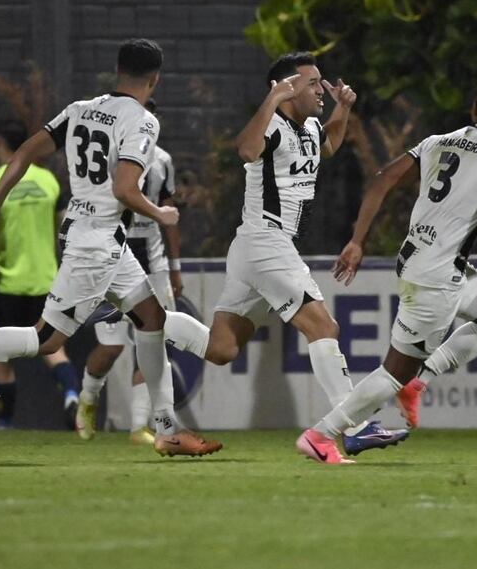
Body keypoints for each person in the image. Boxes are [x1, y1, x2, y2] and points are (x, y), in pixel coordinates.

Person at [0, 38, 221, 457]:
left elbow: (28, 151)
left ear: (118, 71)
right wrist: (161, 214)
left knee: (152, 318)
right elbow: (125, 188)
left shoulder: (81, 109)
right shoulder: (141, 120)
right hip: (97, 243)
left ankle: (165, 428)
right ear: (155, 79)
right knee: (45, 339)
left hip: (92, 234)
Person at [297, 73, 477, 464]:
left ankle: (419, 382)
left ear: (473, 107)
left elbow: (383, 179)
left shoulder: (438, 142)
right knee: (394, 371)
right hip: (435, 277)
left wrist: (357, 240)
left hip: (430, 261)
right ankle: (321, 434)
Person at [161, 51, 409, 456]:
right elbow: (244, 149)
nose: (322, 90)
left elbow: (328, 145)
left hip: (255, 250)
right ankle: (354, 426)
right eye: (313, 83)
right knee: (324, 329)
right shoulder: (272, 125)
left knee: (221, 349)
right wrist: (272, 99)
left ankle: (142, 316)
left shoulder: (310, 126)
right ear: (288, 88)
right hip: (266, 243)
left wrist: (344, 110)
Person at [80, 98, 182, 445]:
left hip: (152, 259)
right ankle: (88, 397)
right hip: (114, 256)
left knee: (153, 341)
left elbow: (170, 215)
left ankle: (140, 425)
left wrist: (175, 267)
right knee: (111, 347)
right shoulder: (107, 156)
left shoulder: (163, 160)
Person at [0, 117, 80, 430]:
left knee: (2, 358)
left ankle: (5, 424)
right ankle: (71, 393)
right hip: (46, 280)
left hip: (6, 283)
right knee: (54, 348)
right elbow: (65, 228)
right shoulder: (49, 181)